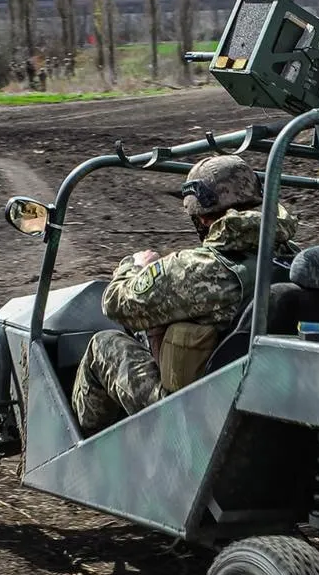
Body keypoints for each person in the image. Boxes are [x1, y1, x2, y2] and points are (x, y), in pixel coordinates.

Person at [71, 154, 298, 435]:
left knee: (102, 346)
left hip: (195, 416)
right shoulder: (296, 257)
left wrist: (135, 267)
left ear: (202, 217)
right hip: (274, 399)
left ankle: (89, 459)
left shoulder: (196, 268)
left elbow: (116, 302)